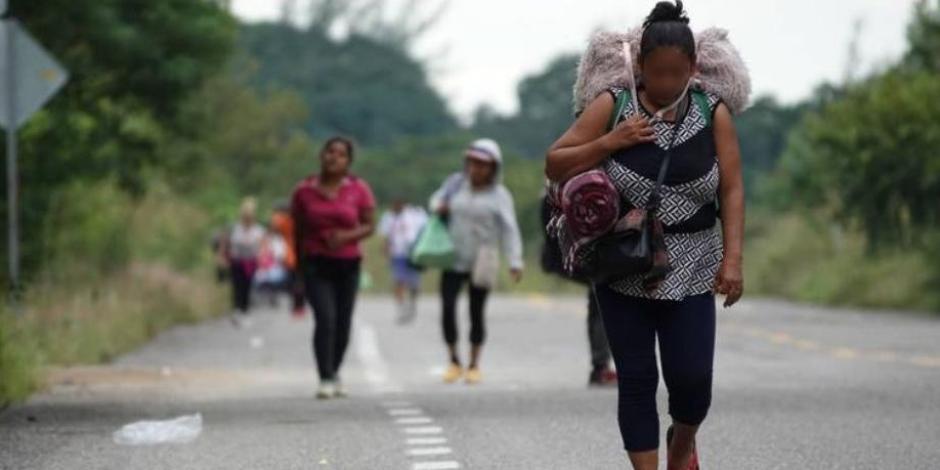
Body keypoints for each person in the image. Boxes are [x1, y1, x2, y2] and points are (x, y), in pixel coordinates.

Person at [545, 2, 745, 469]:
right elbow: (555, 161)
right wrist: (610, 142)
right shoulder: (614, 105)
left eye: (677, 73)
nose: (667, 83)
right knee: (636, 378)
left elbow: (732, 190)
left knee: (692, 380)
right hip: (624, 263)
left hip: (693, 263)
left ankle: (682, 442)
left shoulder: (711, 112)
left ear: (693, 68)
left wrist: (732, 260)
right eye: (657, 73)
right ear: (639, 66)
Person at [429, 138, 524, 385]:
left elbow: (509, 229)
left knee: (476, 311)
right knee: (447, 308)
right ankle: (453, 361)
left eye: (482, 164)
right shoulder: (455, 185)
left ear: (493, 168)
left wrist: (515, 260)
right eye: (472, 163)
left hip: (482, 259)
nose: (476, 169)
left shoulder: (500, 195)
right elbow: (434, 201)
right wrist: (440, 206)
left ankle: (473, 364)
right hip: (453, 257)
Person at [291, 136, 377, 400]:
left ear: (348, 161)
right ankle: (325, 376)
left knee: (342, 322)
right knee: (325, 319)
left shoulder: (358, 189)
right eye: (330, 152)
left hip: (348, 264)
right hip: (316, 263)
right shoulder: (304, 191)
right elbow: (298, 231)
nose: (334, 158)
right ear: (321, 155)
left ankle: (336, 370)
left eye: (340, 154)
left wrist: (346, 237)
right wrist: (298, 271)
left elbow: (370, 225)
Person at [539, 195, 617, 388]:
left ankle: (600, 366)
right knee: (601, 306)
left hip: (585, 257)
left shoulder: (557, 191)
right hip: (593, 257)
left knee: (598, 304)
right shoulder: (587, 188)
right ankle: (601, 366)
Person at [378, 199, 428, 324]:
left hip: (413, 254)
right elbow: (386, 235)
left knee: (414, 283)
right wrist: (386, 249)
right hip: (398, 254)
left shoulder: (415, 215)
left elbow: (424, 231)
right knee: (398, 281)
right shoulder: (389, 218)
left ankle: (412, 303)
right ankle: (401, 307)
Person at [220, 197, 266, 326]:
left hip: (251, 263)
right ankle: (237, 310)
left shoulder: (258, 229)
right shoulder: (234, 228)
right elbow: (224, 244)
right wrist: (222, 258)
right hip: (237, 261)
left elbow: (263, 246)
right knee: (237, 286)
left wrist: (262, 258)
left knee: (247, 286)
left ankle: (245, 310)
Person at [271, 203, 305, 318]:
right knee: (300, 281)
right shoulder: (300, 221)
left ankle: (297, 305)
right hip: (300, 255)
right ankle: (299, 305)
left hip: (291, 256)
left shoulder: (285, 221)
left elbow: (275, 227)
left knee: (294, 282)